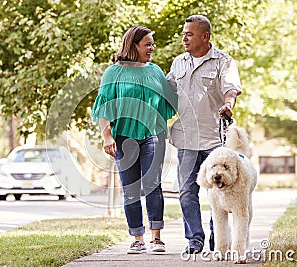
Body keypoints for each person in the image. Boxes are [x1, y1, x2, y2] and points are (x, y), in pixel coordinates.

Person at [91, 26, 177, 254]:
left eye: (152, 44)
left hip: (153, 135)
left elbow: (173, 100)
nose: (152, 48)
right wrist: (107, 135)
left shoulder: (155, 71)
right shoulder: (113, 72)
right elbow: (104, 106)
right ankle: (137, 238)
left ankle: (156, 237)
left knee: (152, 185)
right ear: (134, 46)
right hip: (123, 137)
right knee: (130, 189)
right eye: (147, 44)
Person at [166, 15, 242, 254]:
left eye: (189, 34)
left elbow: (231, 89)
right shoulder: (178, 63)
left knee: (217, 191)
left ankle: (216, 239)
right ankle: (194, 239)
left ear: (205, 36)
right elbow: (166, 91)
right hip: (186, 138)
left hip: (215, 139)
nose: (184, 38)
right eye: (184, 33)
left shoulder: (223, 61)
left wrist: (228, 104)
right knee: (187, 190)